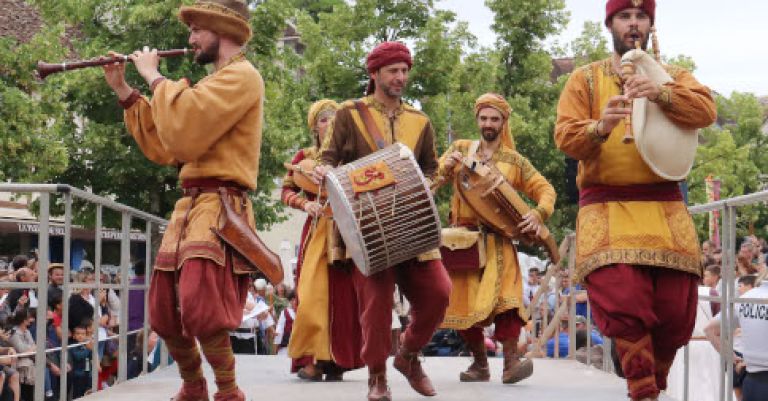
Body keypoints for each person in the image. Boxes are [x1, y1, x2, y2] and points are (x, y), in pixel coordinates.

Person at [554, 1, 717, 400]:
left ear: (650, 24)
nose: (633, 24)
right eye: (625, 16)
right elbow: (565, 137)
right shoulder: (585, 80)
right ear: (610, 23)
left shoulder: (675, 76)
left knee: (677, 310)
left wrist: (661, 94)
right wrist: (601, 126)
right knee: (622, 295)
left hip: (664, 203)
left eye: (640, 16)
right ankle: (643, 390)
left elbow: (706, 111)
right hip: (606, 203)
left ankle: (651, 388)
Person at [101, 0, 264, 399]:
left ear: (220, 31)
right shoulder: (213, 83)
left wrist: (153, 75)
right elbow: (169, 145)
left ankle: (228, 391)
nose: (189, 40)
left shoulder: (242, 76)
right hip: (190, 205)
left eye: (196, 31)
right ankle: (193, 386)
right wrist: (124, 89)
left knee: (200, 304)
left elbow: (185, 125)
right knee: (163, 308)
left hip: (221, 205)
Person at [313, 41, 452, 401]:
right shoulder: (349, 114)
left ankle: (407, 356)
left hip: (413, 225)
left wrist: (424, 188)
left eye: (404, 70)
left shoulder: (420, 121)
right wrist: (323, 172)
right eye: (393, 70)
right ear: (374, 73)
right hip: (368, 230)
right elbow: (327, 159)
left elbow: (432, 170)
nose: (400, 77)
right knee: (375, 308)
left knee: (439, 293)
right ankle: (377, 377)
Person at [435, 93, 556, 383]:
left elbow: (545, 189)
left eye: (495, 119)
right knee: (463, 305)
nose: (488, 123)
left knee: (508, 303)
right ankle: (480, 364)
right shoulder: (461, 148)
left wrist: (539, 214)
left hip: (500, 241)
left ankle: (511, 362)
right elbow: (433, 179)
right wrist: (446, 167)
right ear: (477, 120)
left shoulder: (515, 161)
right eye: (484, 118)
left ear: (504, 122)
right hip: (463, 241)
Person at [286, 100, 363, 381]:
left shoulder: (352, 159)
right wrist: (304, 205)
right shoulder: (304, 158)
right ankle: (311, 359)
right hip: (317, 232)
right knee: (311, 296)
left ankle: (336, 362)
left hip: (346, 232)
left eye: (334, 120)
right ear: (314, 127)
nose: (329, 124)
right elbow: (286, 190)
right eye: (323, 120)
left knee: (344, 298)